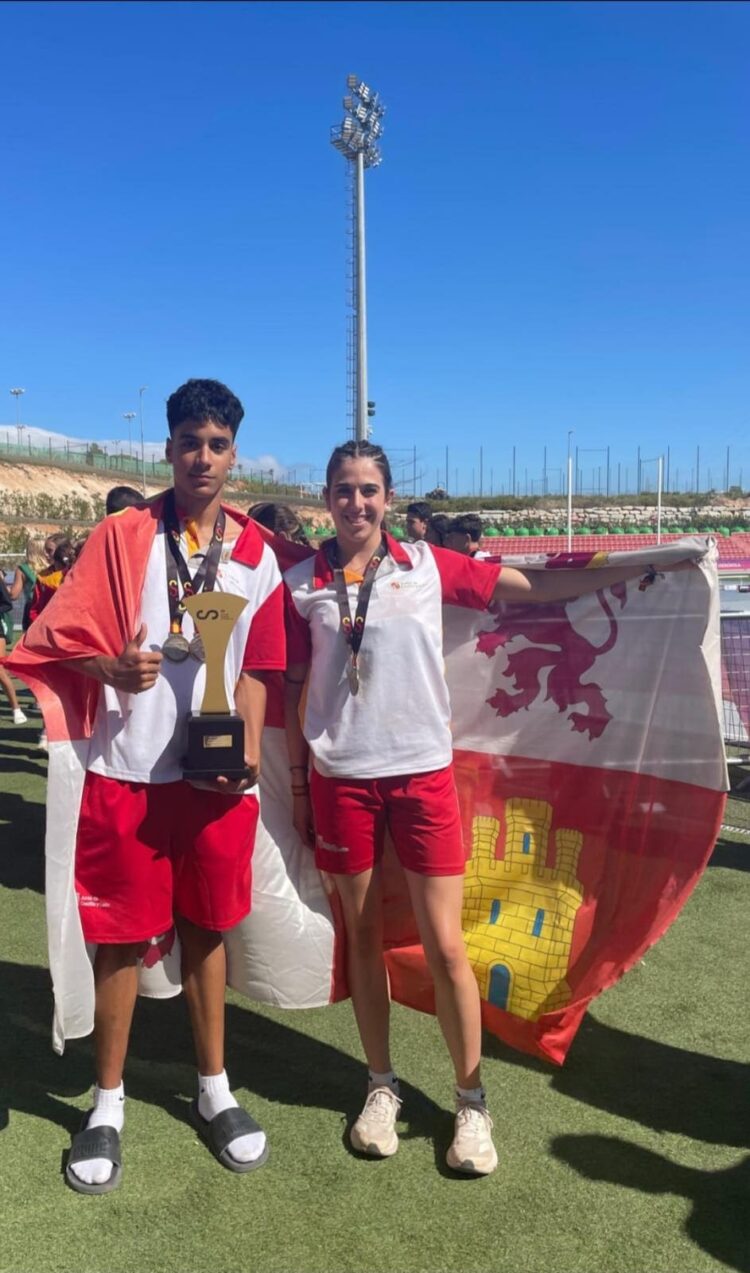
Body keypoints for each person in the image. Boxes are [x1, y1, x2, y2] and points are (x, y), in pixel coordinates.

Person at [283, 439, 680, 1177]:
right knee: (363, 940)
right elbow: (293, 679)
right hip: (341, 777)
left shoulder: (427, 566)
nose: (356, 502)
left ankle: (471, 1100)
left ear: (389, 498)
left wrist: (639, 564)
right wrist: (301, 783)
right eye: (343, 489)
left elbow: (529, 585)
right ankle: (380, 1085)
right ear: (327, 497)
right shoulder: (303, 580)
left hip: (423, 779)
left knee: (445, 945)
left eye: (369, 489)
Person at [13, 378, 286, 1194]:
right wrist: (105, 664)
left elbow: (262, 667)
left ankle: (213, 1088)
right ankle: (106, 1102)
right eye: (190, 441)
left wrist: (243, 742)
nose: (203, 456)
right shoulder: (121, 535)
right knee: (121, 937)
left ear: (234, 455)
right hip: (126, 771)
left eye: (218, 444)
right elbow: (52, 643)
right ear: (168, 448)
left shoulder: (254, 553)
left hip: (213, 780)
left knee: (207, 930)